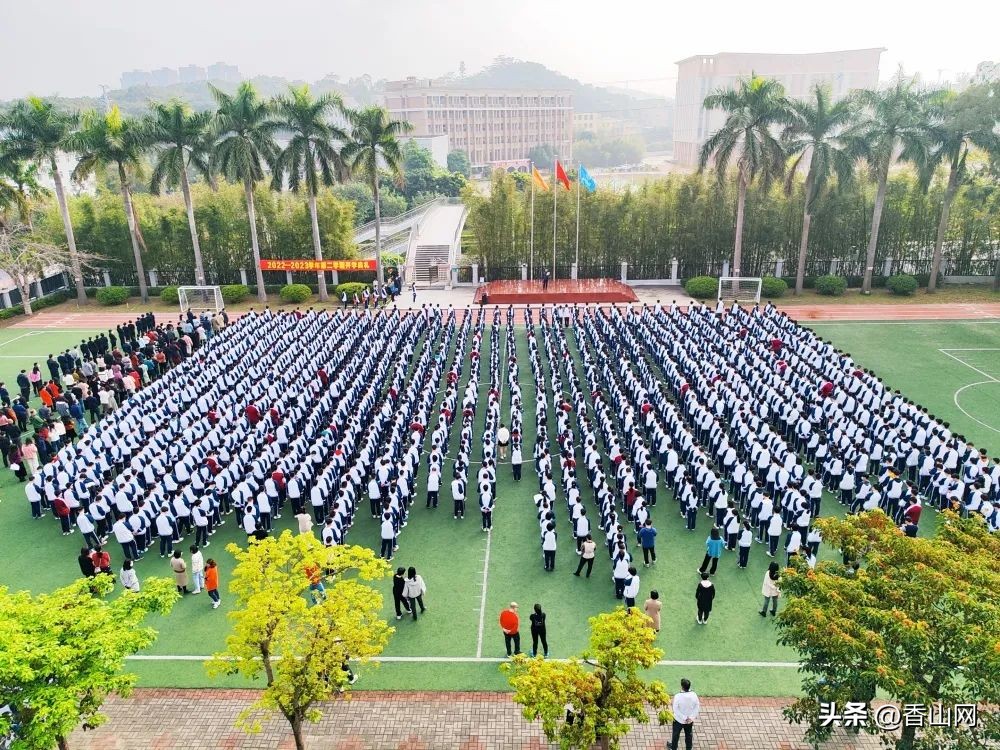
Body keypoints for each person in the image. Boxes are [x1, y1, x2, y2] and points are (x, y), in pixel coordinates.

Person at [668, 678, 700, 750]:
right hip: (689, 721)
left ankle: (673, 747)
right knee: (688, 736)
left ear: (682, 686)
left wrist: (684, 717)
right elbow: (697, 706)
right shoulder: (694, 695)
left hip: (678, 720)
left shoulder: (678, 696)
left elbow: (675, 709)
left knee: (675, 735)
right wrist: (691, 717)